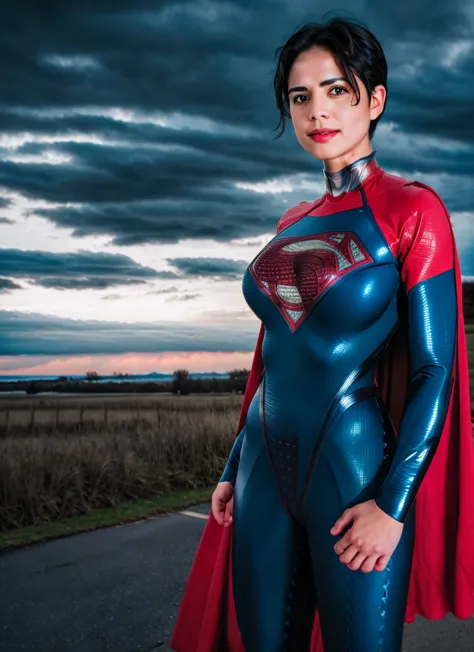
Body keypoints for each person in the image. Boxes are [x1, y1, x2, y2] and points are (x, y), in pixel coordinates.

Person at [170, 15, 474, 652]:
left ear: (375, 99)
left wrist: (393, 505)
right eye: (299, 96)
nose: (317, 111)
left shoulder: (415, 211)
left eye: (336, 89)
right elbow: (274, 356)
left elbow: (433, 371)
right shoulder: (291, 220)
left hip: (354, 469)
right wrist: (231, 466)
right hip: (258, 467)